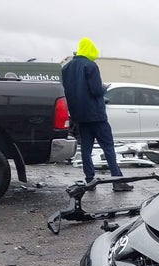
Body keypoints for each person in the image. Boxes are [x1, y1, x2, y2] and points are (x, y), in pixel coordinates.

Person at [61, 37, 133, 191]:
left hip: (79, 116)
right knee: (108, 147)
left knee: (86, 148)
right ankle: (117, 181)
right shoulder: (90, 66)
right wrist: (104, 88)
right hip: (96, 116)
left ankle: (90, 180)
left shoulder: (66, 68)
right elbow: (95, 90)